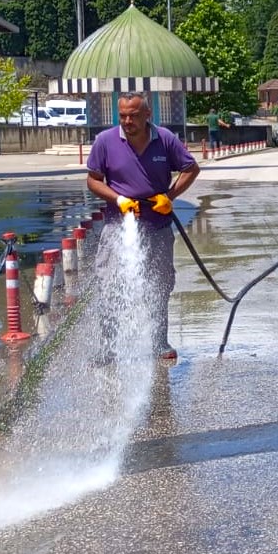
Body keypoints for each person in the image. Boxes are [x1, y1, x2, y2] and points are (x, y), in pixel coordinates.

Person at [86, 91, 199, 361]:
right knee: (110, 285)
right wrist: (118, 199)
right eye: (123, 115)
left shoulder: (165, 139)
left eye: (134, 116)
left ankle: (159, 342)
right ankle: (109, 346)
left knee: (159, 285)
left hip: (157, 226)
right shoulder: (105, 141)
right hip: (119, 226)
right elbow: (93, 180)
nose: (127, 121)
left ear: (148, 114)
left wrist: (168, 197)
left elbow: (191, 168)